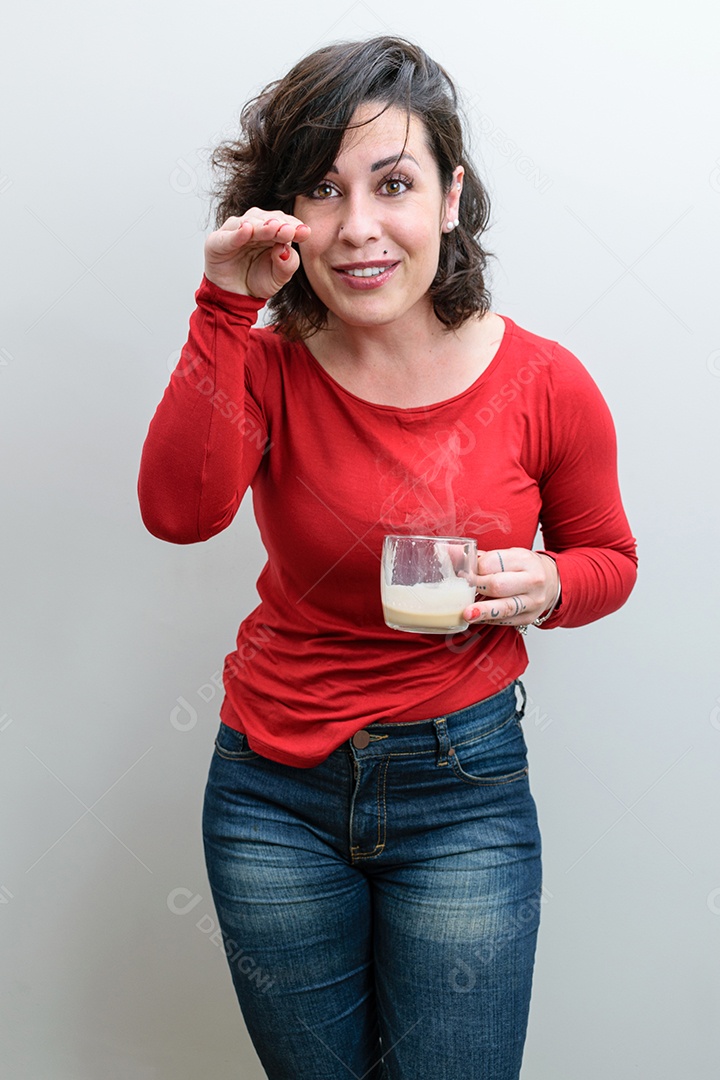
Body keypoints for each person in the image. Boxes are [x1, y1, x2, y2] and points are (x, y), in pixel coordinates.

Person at [138, 36, 637, 1080]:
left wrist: (549, 585)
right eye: (323, 190)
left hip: (464, 792)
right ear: (287, 219)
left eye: (394, 184)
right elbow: (180, 515)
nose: (358, 227)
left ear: (452, 199)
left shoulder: (546, 382)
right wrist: (224, 305)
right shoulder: (266, 366)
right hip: (273, 792)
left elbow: (609, 559)